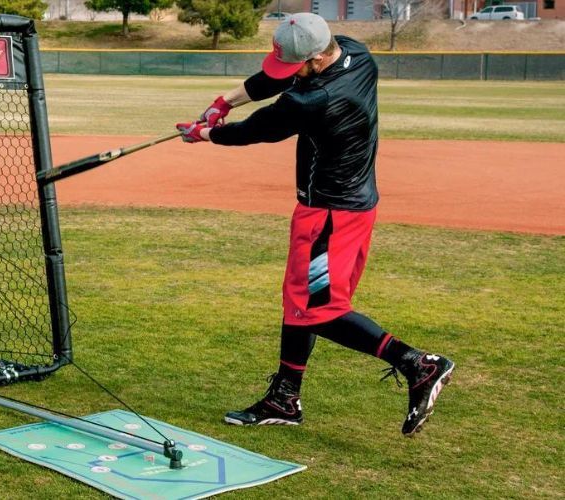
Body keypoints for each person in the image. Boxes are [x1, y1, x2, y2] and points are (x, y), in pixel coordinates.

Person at [175, 13, 454, 436]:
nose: (290, 73)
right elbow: (274, 80)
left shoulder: (313, 100)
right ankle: (285, 398)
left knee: (319, 310)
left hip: (328, 214)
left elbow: (256, 130)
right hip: (353, 206)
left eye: (296, 66)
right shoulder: (355, 53)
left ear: (317, 59)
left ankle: (418, 364)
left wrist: (206, 134)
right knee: (299, 298)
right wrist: (224, 101)